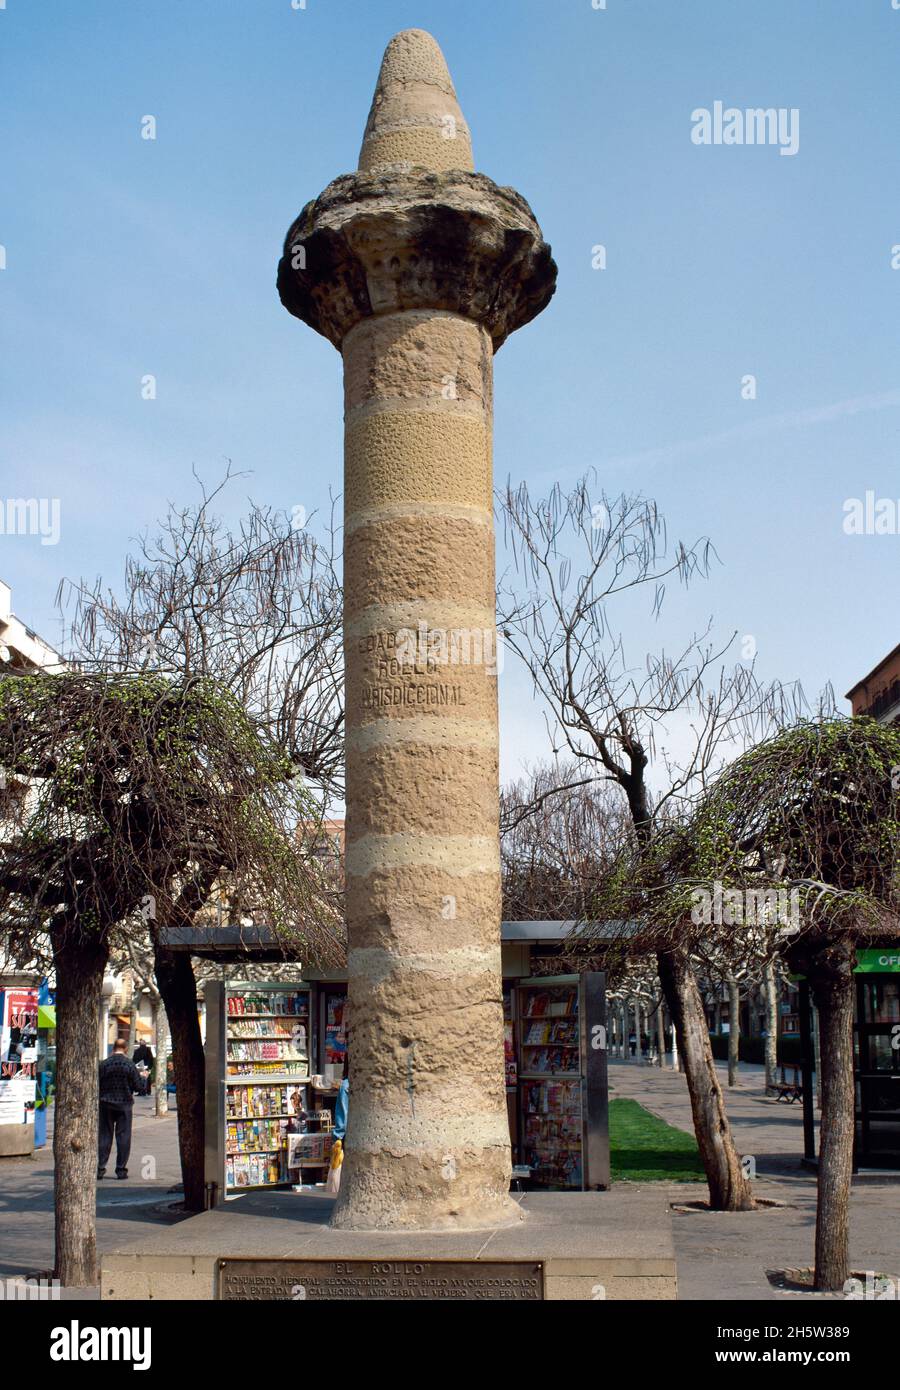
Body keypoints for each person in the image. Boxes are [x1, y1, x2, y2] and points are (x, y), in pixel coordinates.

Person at [97, 1037, 142, 1179]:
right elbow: (138, 1086)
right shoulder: (129, 1065)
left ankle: (100, 1168)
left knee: (105, 1136)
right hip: (124, 1104)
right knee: (123, 1137)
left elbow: (97, 1083)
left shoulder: (104, 1064)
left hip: (106, 1103)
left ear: (113, 1048)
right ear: (126, 1049)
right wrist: (144, 1077)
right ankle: (121, 1169)